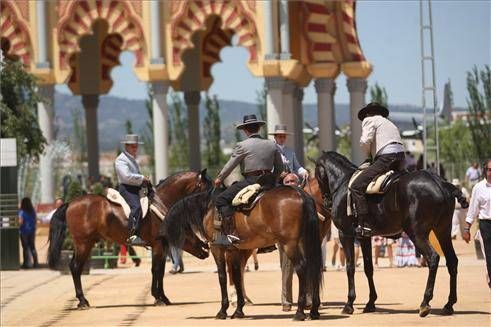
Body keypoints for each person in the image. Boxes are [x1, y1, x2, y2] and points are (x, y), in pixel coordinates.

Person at [213, 114, 283, 246]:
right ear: (258, 128)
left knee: (221, 200)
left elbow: (231, 164)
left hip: (252, 180)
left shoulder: (242, 145)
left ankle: (231, 234)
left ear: (246, 130)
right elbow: (280, 167)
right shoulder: (271, 144)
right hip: (270, 181)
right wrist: (274, 179)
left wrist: (219, 178)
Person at [350, 102, 405, 238]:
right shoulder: (389, 123)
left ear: (368, 113)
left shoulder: (369, 120)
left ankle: (365, 225)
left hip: (386, 157)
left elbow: (364, 141)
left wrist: (368, 156)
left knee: (357, 187)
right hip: (400, 157)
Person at [115, 134, 150, 246]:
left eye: (136, 146)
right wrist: (142, 178)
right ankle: (132, 235)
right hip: (127, 188)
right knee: (136, 207)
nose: (135, 149)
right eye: (133, 146)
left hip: (136, 187)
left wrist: (144, 181)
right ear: (126, 146)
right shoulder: (121, 160)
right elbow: (126, 176)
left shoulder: (132, 159)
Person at [464, 159, 491, 288]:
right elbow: (473, 209)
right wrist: (467, 228)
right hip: (486, 225)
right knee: (489, 257)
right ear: (485, 171)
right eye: (489, 170)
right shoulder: (478, 188)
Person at [18, 197, 39, 269]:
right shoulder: (32, 211)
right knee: (32, 247)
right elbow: (35, 221)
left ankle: (25, 263)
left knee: (25, 248)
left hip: (24, 231)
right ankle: (36, 263)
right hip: (32, 231)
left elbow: (20, 222)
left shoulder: (21, 212)